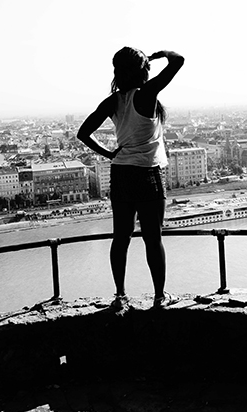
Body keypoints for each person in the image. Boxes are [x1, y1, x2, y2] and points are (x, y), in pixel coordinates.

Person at [77, 47, 184, 310]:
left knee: (120, 238)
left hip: (121, 173)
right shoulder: (146, 94)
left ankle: (120, 296)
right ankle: (160, 297)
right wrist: (161, 55)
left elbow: (83, 133)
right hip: (148, 173)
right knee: (153, 238)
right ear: (143, 69)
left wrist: (109, 154)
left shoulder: (113, 101)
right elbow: (178, 61)